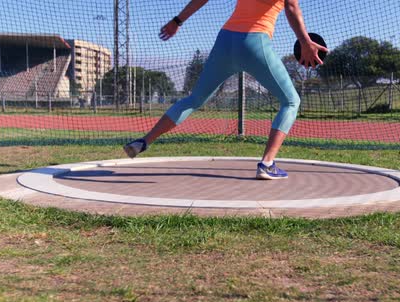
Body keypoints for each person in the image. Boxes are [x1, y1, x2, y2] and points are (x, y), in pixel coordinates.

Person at [124, 0, 328, 180]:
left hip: (225, 41)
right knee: (291, 101)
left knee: (194, 99)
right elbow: (291, 6)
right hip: (254, 41)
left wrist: (177, 21)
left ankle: (144, 141)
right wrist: (304, 41)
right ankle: (267, 164)